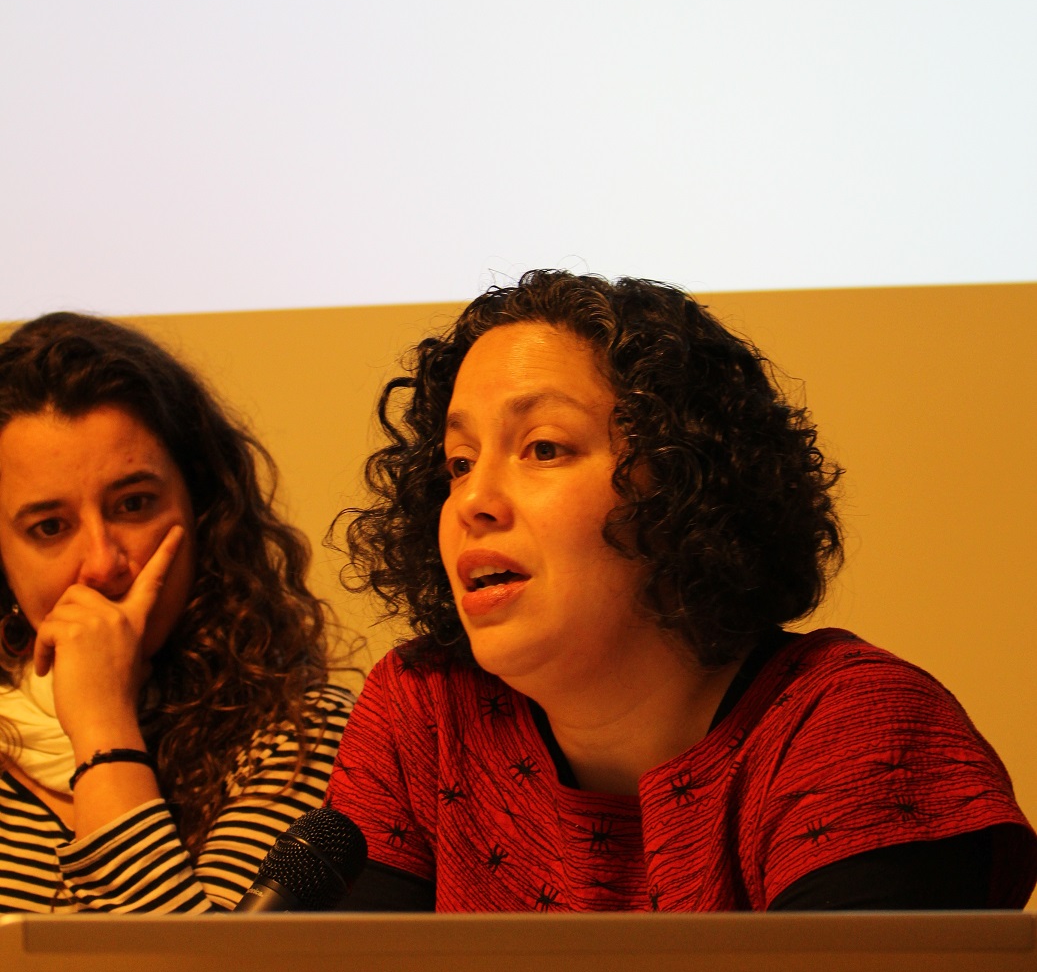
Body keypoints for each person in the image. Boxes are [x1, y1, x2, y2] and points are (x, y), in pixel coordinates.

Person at [326, 270, 1036, 913]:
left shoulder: (850, 724)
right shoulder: (426, 711)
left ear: (683, 484)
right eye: (458, 462)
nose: (473, 500)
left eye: (544, 448)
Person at [0, 312, 353, 912]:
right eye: (51, 527)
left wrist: (102, 724)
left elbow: (191, 970)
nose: (102, 563)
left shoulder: (301, 733)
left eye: (134, 504)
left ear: (202, 509)